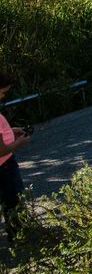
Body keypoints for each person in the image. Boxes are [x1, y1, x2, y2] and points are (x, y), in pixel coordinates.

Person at [0, 72, 30, 243]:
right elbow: (0, 150)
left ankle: (17, 233)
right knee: (13, 200)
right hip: (4, 166)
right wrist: (20, 143)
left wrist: (11, 131)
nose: (4, 96)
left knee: (8, 200)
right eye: (3, 92)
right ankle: (19, 237)